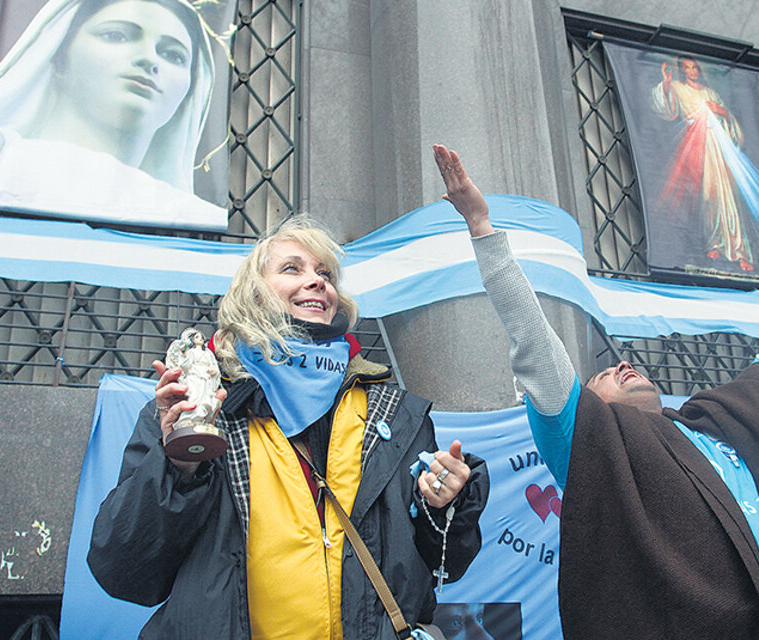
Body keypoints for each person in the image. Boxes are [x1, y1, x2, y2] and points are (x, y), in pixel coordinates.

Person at [433, 144, 759, 640]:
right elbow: (532, 338)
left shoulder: (722, 422)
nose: (621, 364)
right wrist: (482, 227)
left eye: (621, 365)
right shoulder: (586, 444)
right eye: (600, 378)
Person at [88, 216, 489, 639]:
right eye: (292, 269)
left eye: (325, 273)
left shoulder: (392, 413)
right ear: (252, 295)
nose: (317, 282)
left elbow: (446, 564)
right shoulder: (194, 407)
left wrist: (442, 506)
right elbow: (125, 570)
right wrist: (179, 466)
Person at [0, 0, 226, 229]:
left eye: (173, 55)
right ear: (59, 58)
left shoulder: (188, 213)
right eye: (116, 36)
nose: (149, 59)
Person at [652, 56, 759, 273]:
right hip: (697, 147)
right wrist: (666, 83)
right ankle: (715, 244)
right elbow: (667, 110)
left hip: (720, 148)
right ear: (682, 71)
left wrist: (720, 111)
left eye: (695, 67)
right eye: (687, 68)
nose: (692, 71)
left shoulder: (710, 93)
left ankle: (740, 250)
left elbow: (730, 122)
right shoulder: (677, 87)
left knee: (730, 198)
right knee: (708, 196)